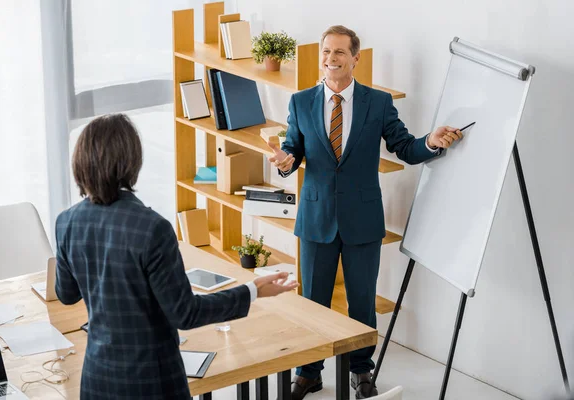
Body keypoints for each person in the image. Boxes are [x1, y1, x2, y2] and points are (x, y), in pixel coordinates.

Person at [268, 26, 462, 399]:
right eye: (327, 51)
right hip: (316, 218)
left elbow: (404, 146)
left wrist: (432, 143)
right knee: (312, 301)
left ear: (356, 58)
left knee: (361, 301)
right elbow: (292, 151)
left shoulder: (378, 102)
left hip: (363, 220)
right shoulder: (300, 102)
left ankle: (361, 371)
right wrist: (283, 161)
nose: (331, 58)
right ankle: (309, 372)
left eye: (340, 52)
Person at [55, 114, 298, 400]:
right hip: (152, 383)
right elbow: (185, 313)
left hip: (97, 379)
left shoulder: (66, 222)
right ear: (131, 161)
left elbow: (67, 294)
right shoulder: (152, 228)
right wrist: (252, 291)